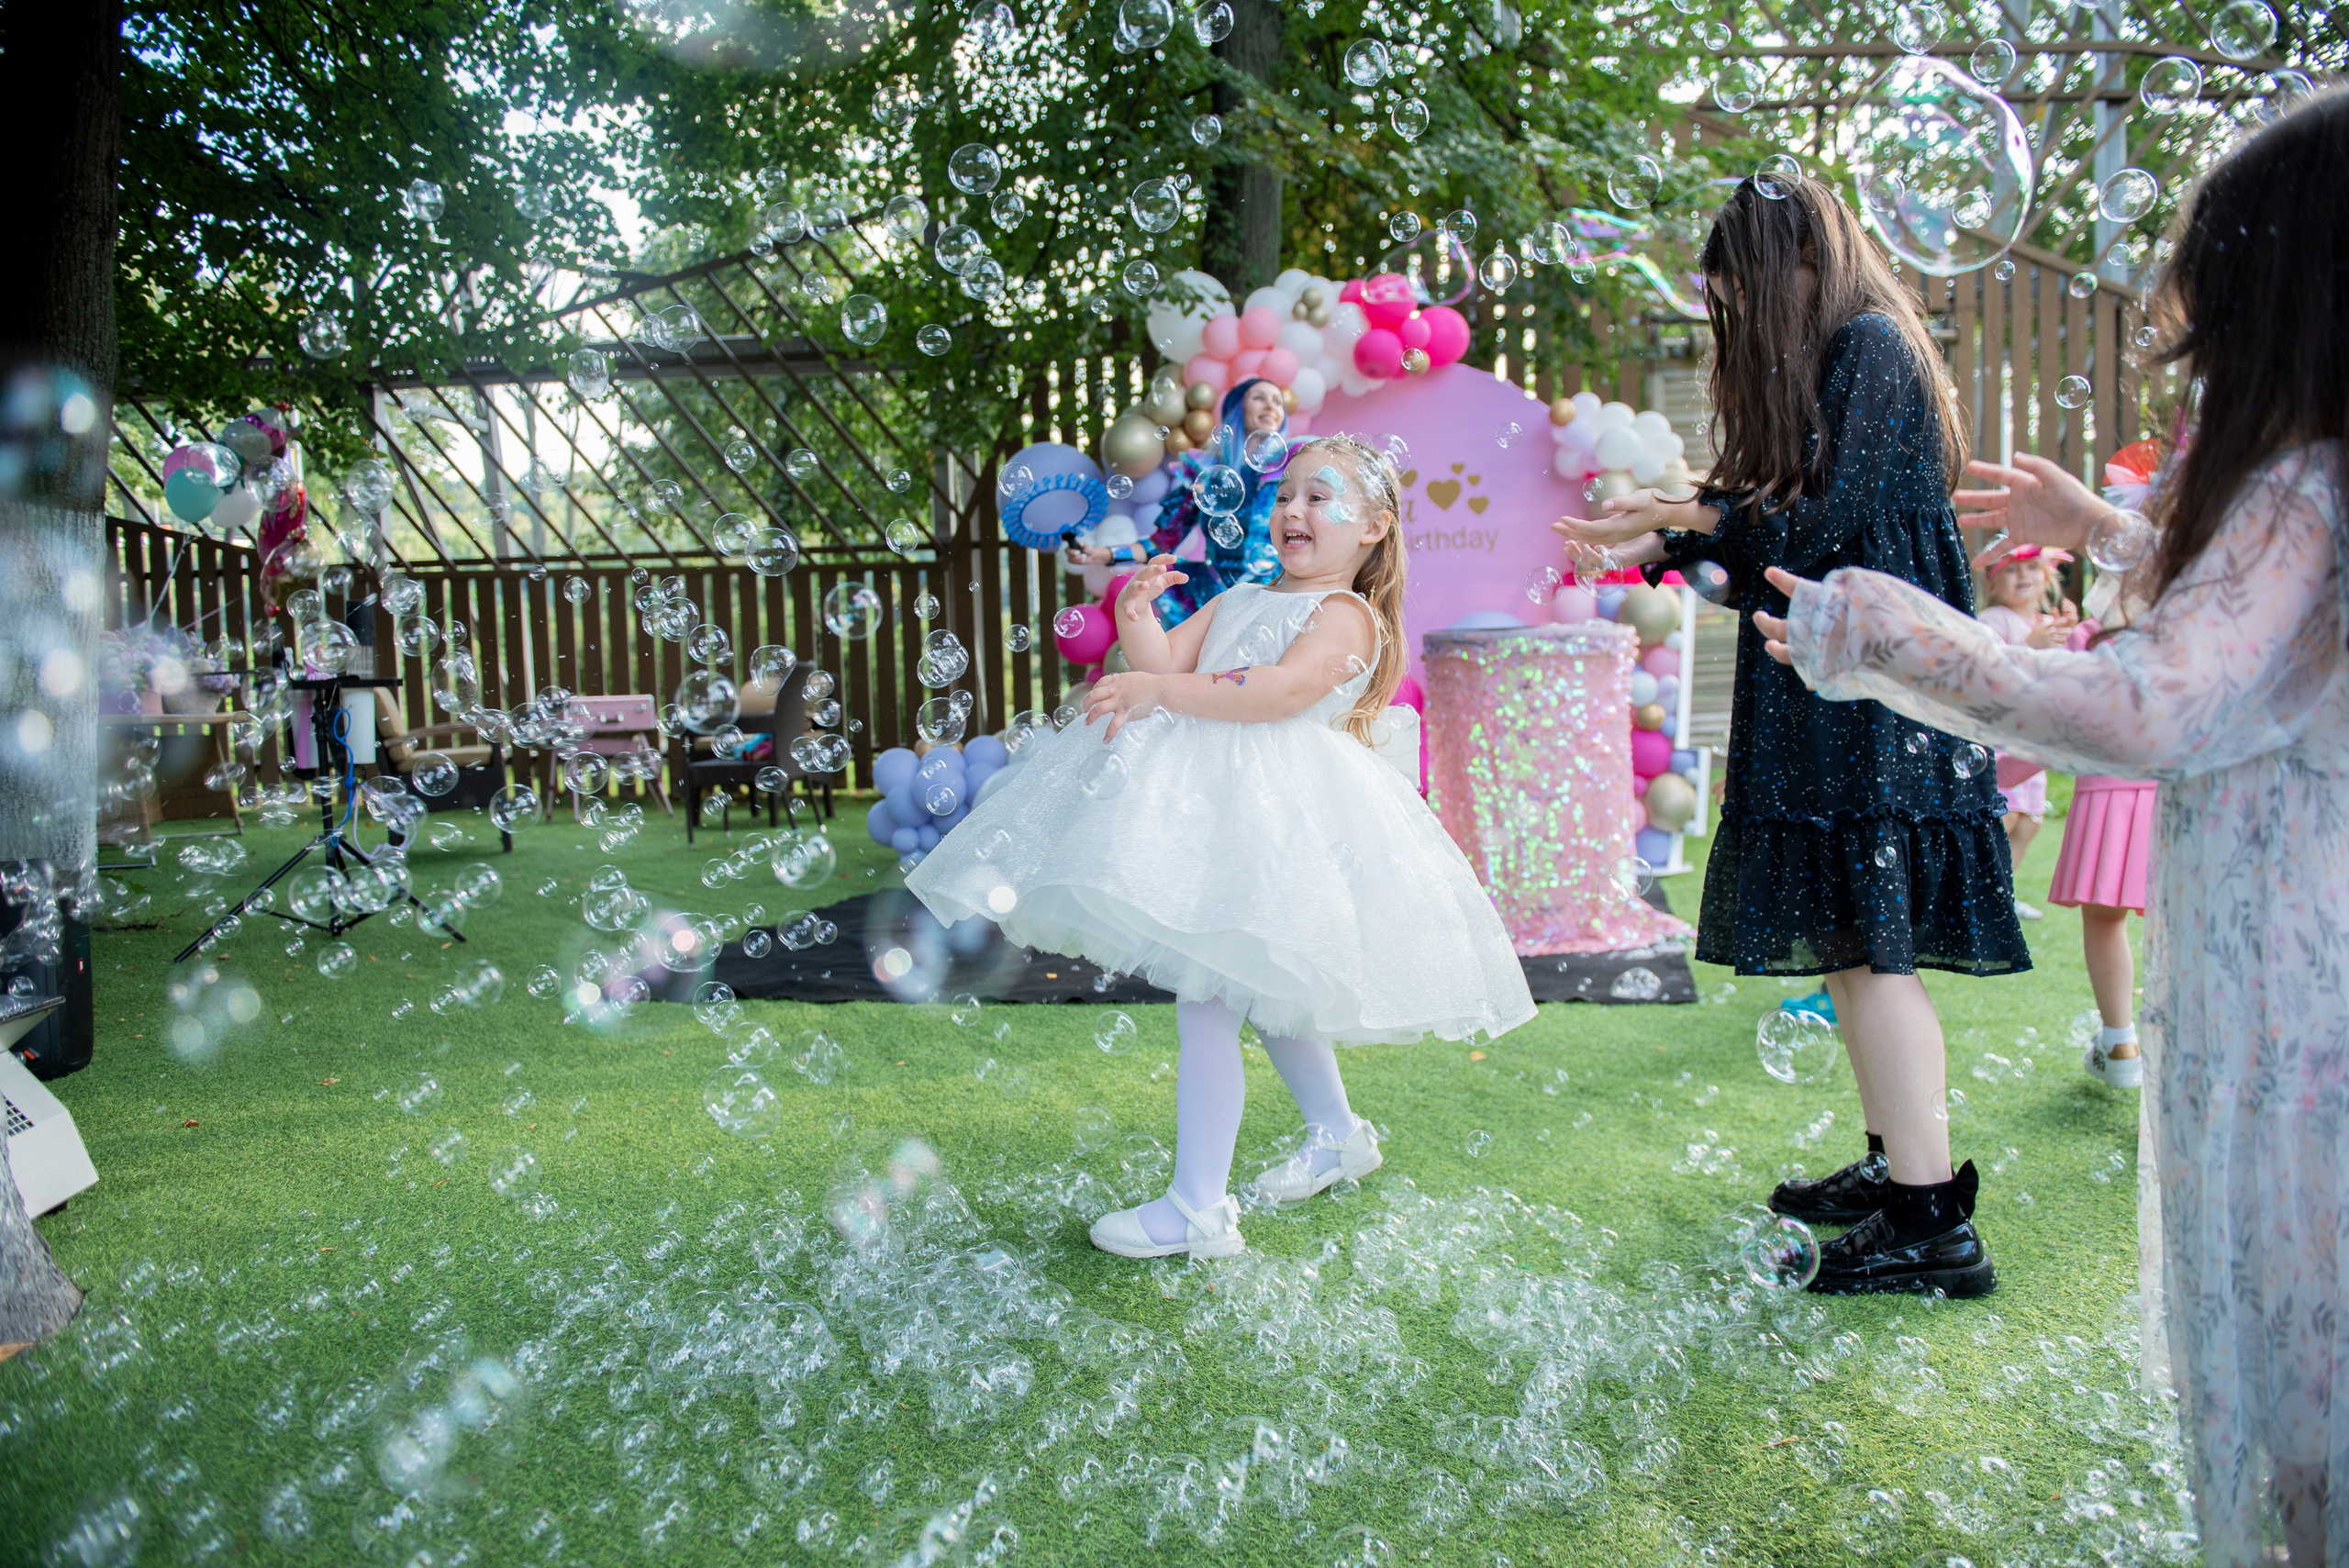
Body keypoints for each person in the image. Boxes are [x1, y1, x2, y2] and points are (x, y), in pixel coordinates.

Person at [1751, 88, 2348, 1566]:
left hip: (2300, 1027)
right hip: (2304, 986)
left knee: (2305, 1406)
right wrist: (2112, 535)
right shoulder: (2320, 484)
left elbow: (2149, 707)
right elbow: (2263, 638)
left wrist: (1891, 633)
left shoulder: (2302, 488)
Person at [1554, 172, 2028, 1298]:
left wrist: (1673, 509)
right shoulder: (1851, 351)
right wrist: (1659, 534)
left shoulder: (1869, 344)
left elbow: (1813, 520)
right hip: (1835, 687)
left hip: (1869, 704)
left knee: (1877, 951)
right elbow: (1770, 557)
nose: (1736, 316)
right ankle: (1891, 1163)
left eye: (1741, 289)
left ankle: (1931, 1224)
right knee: (1859, 947)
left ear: (1796, 266)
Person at [910, 435, 1533, 1260]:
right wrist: (1138, 618)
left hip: (1276, 819)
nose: (1293, 511)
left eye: (1321, 497)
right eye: (1287, 497)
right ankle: (1338, 1133)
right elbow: (1167, 660)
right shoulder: (1246, 592)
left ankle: (1196, 1208)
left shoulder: (1346, 615)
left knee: (1211, 999)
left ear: (1374, 527)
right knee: (1260, 982)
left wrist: (1162, 687)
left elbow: (1276, 692)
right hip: (1215, 811)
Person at [1068, 377, 1289, 625]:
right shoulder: (1205, 474)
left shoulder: (1295, 471)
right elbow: (1159, 545)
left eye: (1278, 402)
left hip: (1278, 601)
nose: (1270, 406)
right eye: (1259, 398)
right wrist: (1102, 554)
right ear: (1237, 409)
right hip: (1216, 600)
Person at [1972, 543, 2081, 919]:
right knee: (2006, 816)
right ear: (1994, 582)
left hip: (2032, 740)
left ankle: (2003, 892)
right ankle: (1981, 894)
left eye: (2033, 568)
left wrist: (2068, 639)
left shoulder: (2044, 623)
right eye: (2012, 570)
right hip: (2001, 735)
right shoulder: (1994, 620)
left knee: (2030, 821)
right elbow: (1988, 672)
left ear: (2048, 577)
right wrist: (2028, 646)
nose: (2023, 577)